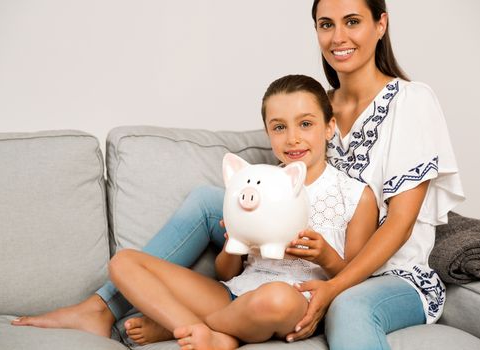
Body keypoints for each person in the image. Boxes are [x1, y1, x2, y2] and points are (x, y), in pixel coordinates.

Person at [13, 0, 465, 348]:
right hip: (275, 275)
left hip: (389, 275)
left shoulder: (411, 100)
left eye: (353, 21)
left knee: (347, 309)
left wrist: (332, 286)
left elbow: (402, 223)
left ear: (380, 25)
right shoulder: (320, 106)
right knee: (208, 200)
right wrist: (239, 237)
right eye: (326, 24)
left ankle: (204, 327)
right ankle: (103, 305)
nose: (338, 36)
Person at [107, 74, 378, 349]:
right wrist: (231, 243)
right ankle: (204, 330)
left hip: (294, 301)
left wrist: (326, 257)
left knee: (276, 298)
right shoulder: (254, 184)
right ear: (268, 132)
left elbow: (353, 279)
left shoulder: (355, 196)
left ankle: (180, 327)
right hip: (235, 293)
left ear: (330, 127)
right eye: (279, 127)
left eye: (306, 124)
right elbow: (227, 274)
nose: (293, 138)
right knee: (123, 262)